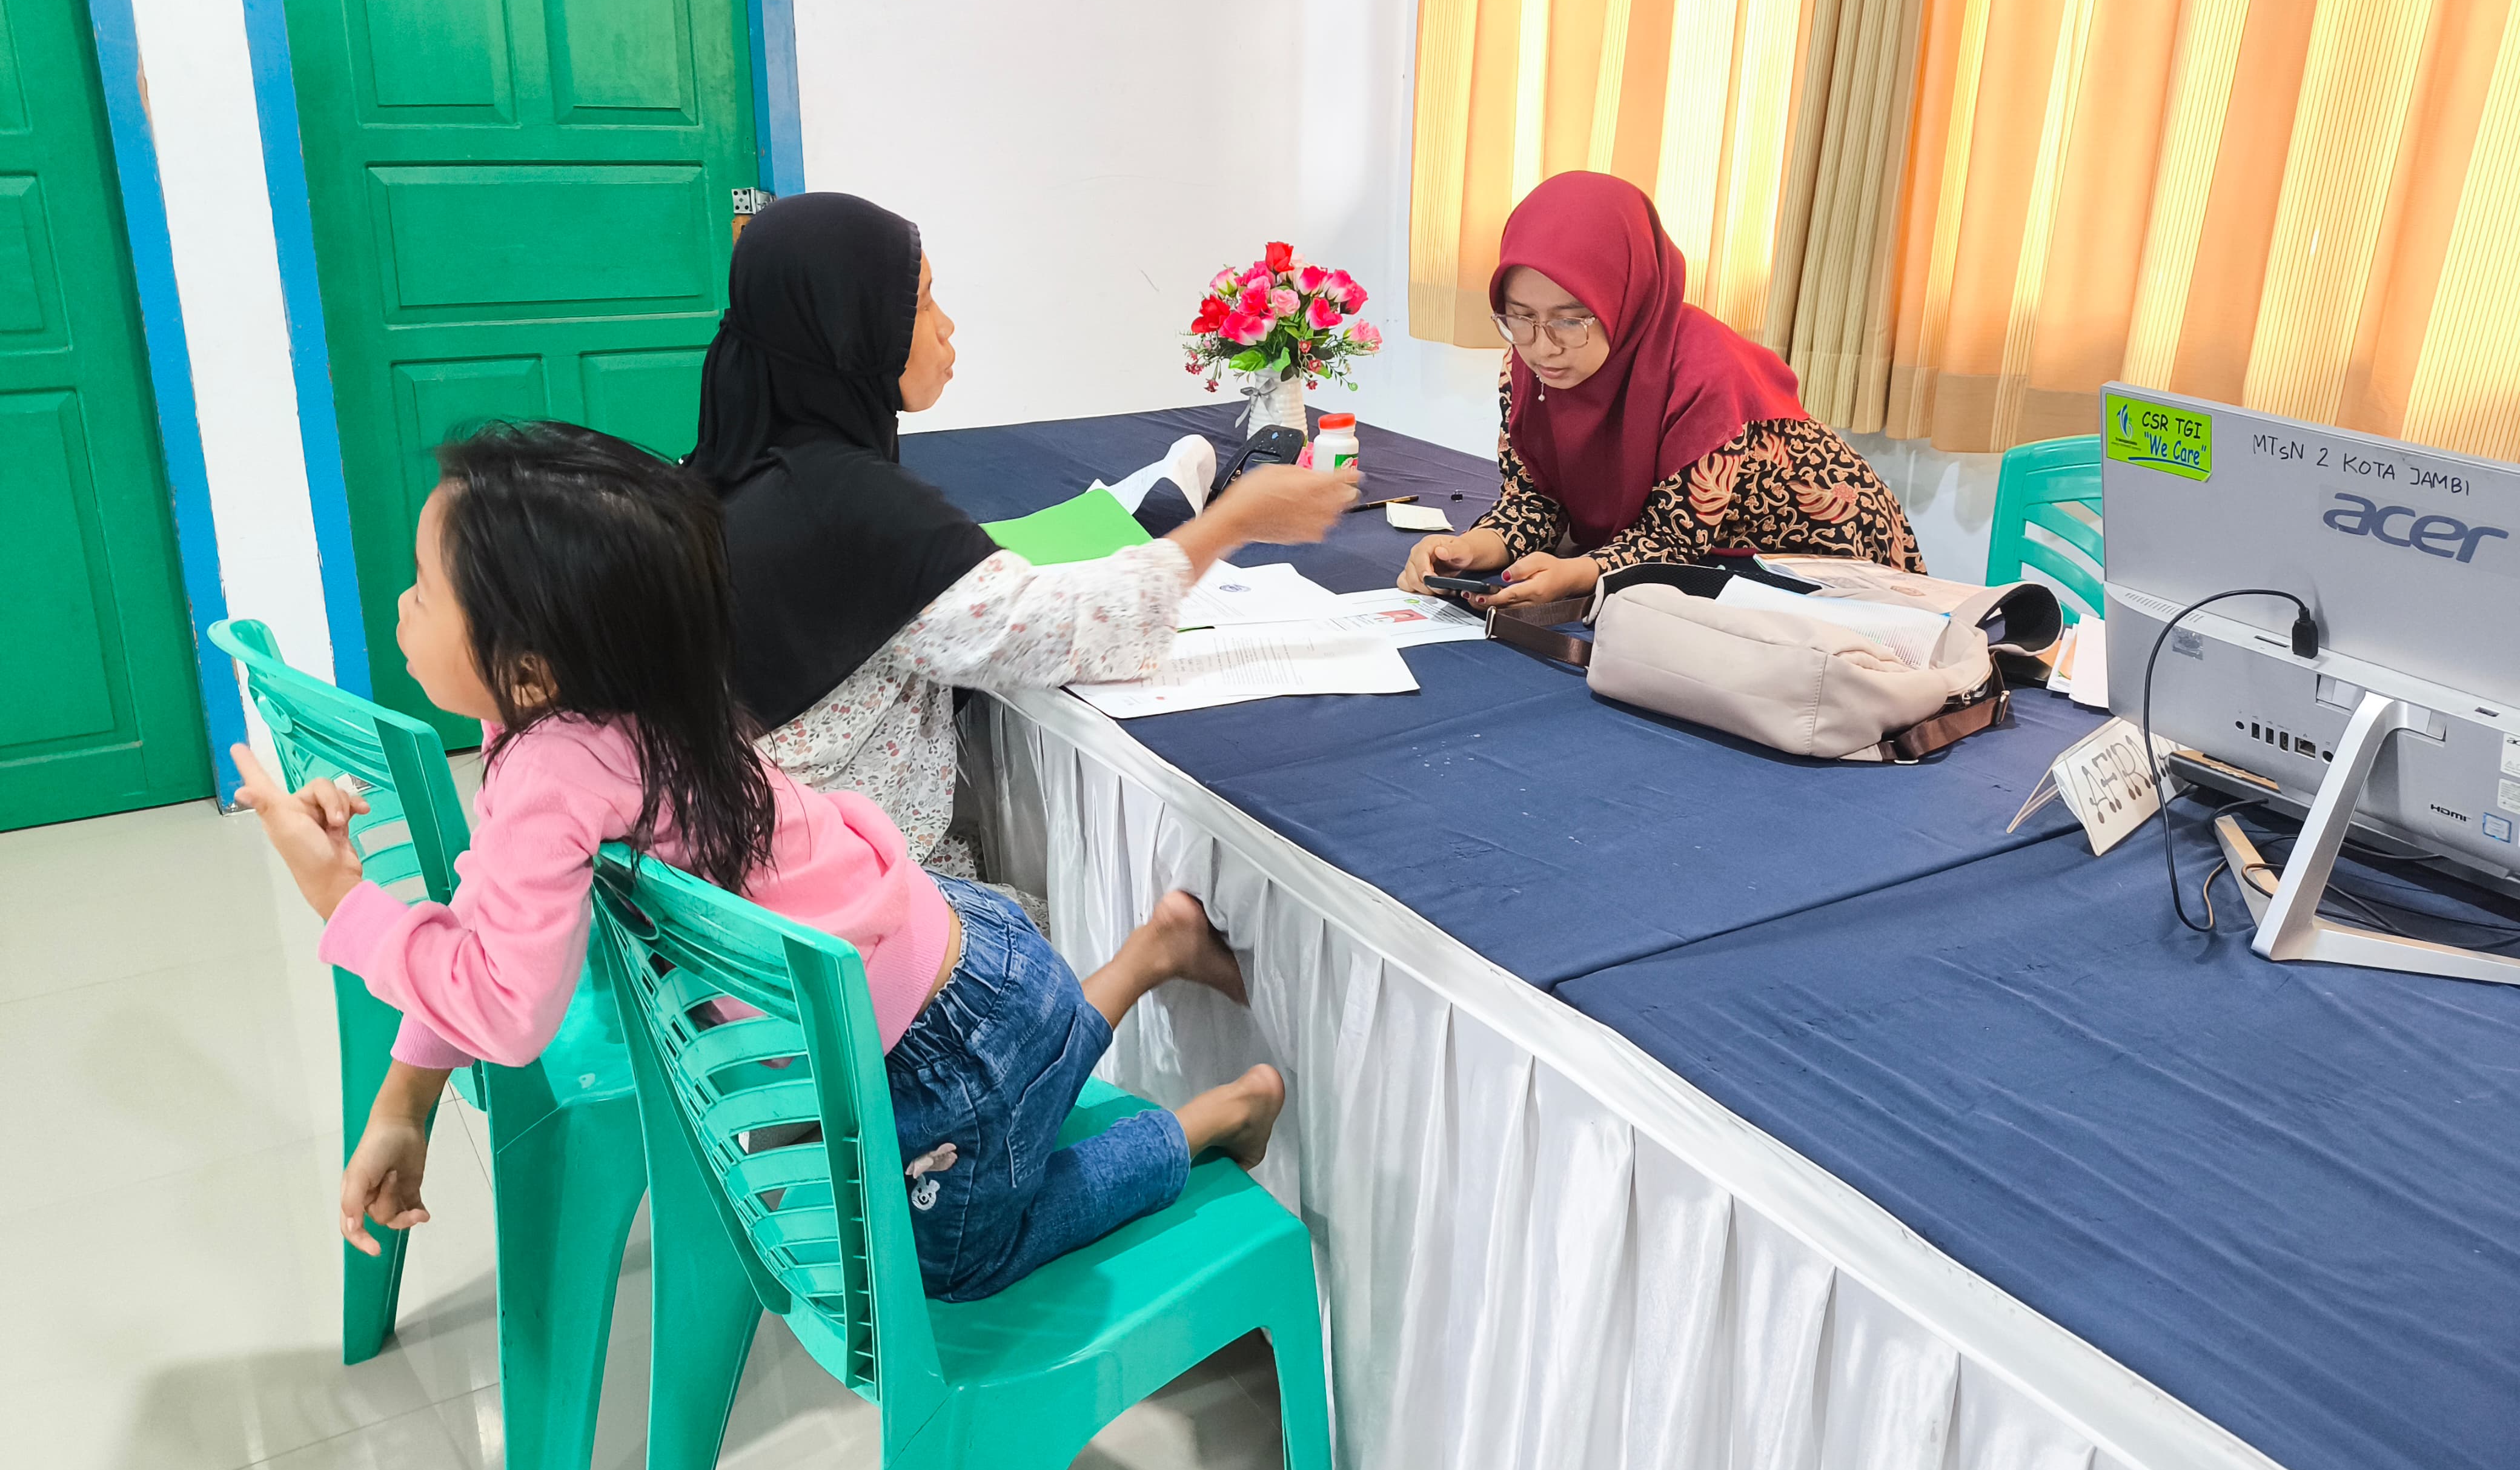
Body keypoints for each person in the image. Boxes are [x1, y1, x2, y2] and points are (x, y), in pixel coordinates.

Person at [231, 422, 1284, 1302]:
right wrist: (403, 1103)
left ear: (534, 668)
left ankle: (1213, 1120)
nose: (402, 603)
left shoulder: (554, 765)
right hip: (968, 967)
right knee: (1015, 1080)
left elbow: (508, 1009)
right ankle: (1152, 951)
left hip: (943, 1048)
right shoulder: (609, 709)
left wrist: (342, 896)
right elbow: (488, 929)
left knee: (957, 1260)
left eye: (425, 589)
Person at [686, 193, 1357, 873]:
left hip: (751, 862)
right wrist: (1235, 519)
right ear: (849, 331)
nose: (946, 327)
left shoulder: (732, 465)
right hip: (837, 894)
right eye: (922, 304)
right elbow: (1074, 633)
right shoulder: (849, 504)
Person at [1400, 171, 1921, 608]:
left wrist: (1579, 573)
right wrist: (1469, 548)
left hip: (1823, 564)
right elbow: (1535, 501)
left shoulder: (1706, 377)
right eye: (1520, 317)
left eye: (1570, 320)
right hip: (1700, 565)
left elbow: (1673, 541)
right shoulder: (1525, 365)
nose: (1543, 347)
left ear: (1625, 298)